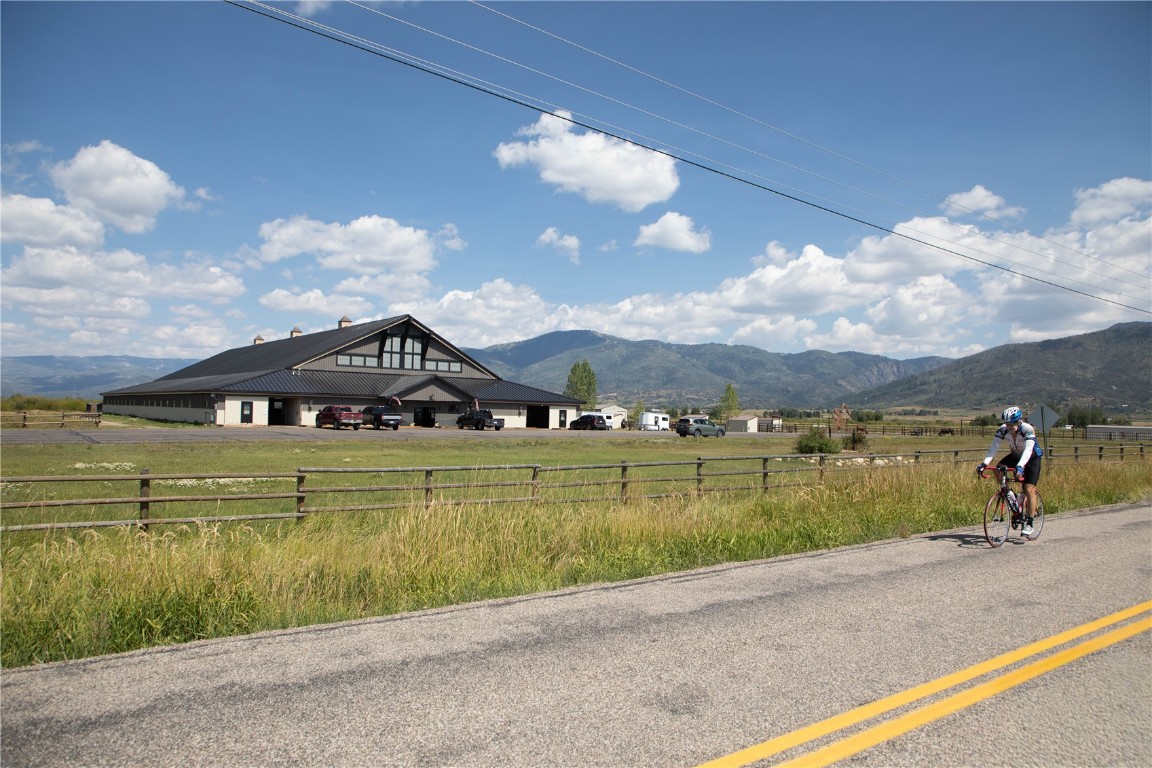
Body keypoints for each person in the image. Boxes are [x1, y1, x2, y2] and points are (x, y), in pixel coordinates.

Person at [977, 406, 1043, 539]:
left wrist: (1020, 467)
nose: (1009, 427)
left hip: (1032, 458)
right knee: (997, 469)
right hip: (1015, 455)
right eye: (1007, 424)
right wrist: (984, 464)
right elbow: (993, 449)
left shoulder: (1027, 429)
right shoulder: (1002, 430)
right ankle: (1010, 494)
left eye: (1012, 424)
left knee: (1029, 489)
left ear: (1019, 421)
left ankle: (1029, 523)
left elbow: (1028, 450)